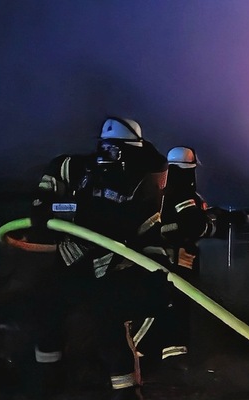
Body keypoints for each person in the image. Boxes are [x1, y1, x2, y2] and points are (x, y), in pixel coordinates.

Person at [30, 117, 170, 400]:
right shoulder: (78, 167)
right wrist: (47, 207)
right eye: (106, 148)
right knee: (46, 310)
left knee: (109, 324)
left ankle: (127, 392)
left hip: (114, 266)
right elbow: (48, 192)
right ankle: (49, 380)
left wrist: (158, 270)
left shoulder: (142, 181)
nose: (109, 156)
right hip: (71, 259)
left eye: (116, 150)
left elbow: (146, 231)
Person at [134, 146, 244, 374]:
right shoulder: (183, 190)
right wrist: (217, 225)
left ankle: (169, 357)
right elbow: (192, 225)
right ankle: (148, 353)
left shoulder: (158, 188)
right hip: (177, 260)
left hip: (157, 259)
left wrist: (213, 214)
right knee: (171, 306)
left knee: (171, 306)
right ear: (190, 169)